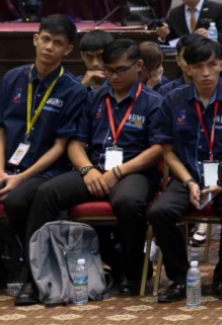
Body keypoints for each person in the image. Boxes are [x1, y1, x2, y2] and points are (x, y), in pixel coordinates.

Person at [0, 14, 87, 300]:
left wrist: (20, 178)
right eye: (45, 39)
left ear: (67, 49)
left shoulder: (72, 89)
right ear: (35, 39)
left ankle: (31, 271)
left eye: (58, 43)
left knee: (16, 200)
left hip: (44, 171)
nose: (49, 47)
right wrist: (1, 173)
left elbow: (61, 146)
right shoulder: (13, 78)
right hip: (6, 168)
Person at [28, 39, 169, 295]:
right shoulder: (93, 98)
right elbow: (75, 144)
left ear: (138, 66)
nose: (113, 76)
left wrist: (119, 172)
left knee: (128, 202)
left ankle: (132, 273)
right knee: (46, 193)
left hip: (133, 171)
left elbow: (158, 149)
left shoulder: (154, 102)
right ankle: (36, 276)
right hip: (93, 168)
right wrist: (87, 170)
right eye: (108, 70)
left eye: (121, 70)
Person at [145, 36, 222, 301]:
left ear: (221, 64)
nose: (206, 73)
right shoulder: (173, 100)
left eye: (211, 65)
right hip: (186, 176)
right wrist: (189, 182)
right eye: (198, 66)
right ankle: (180, 279)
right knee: (159, 212)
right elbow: (167, 150)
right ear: (187, 68)